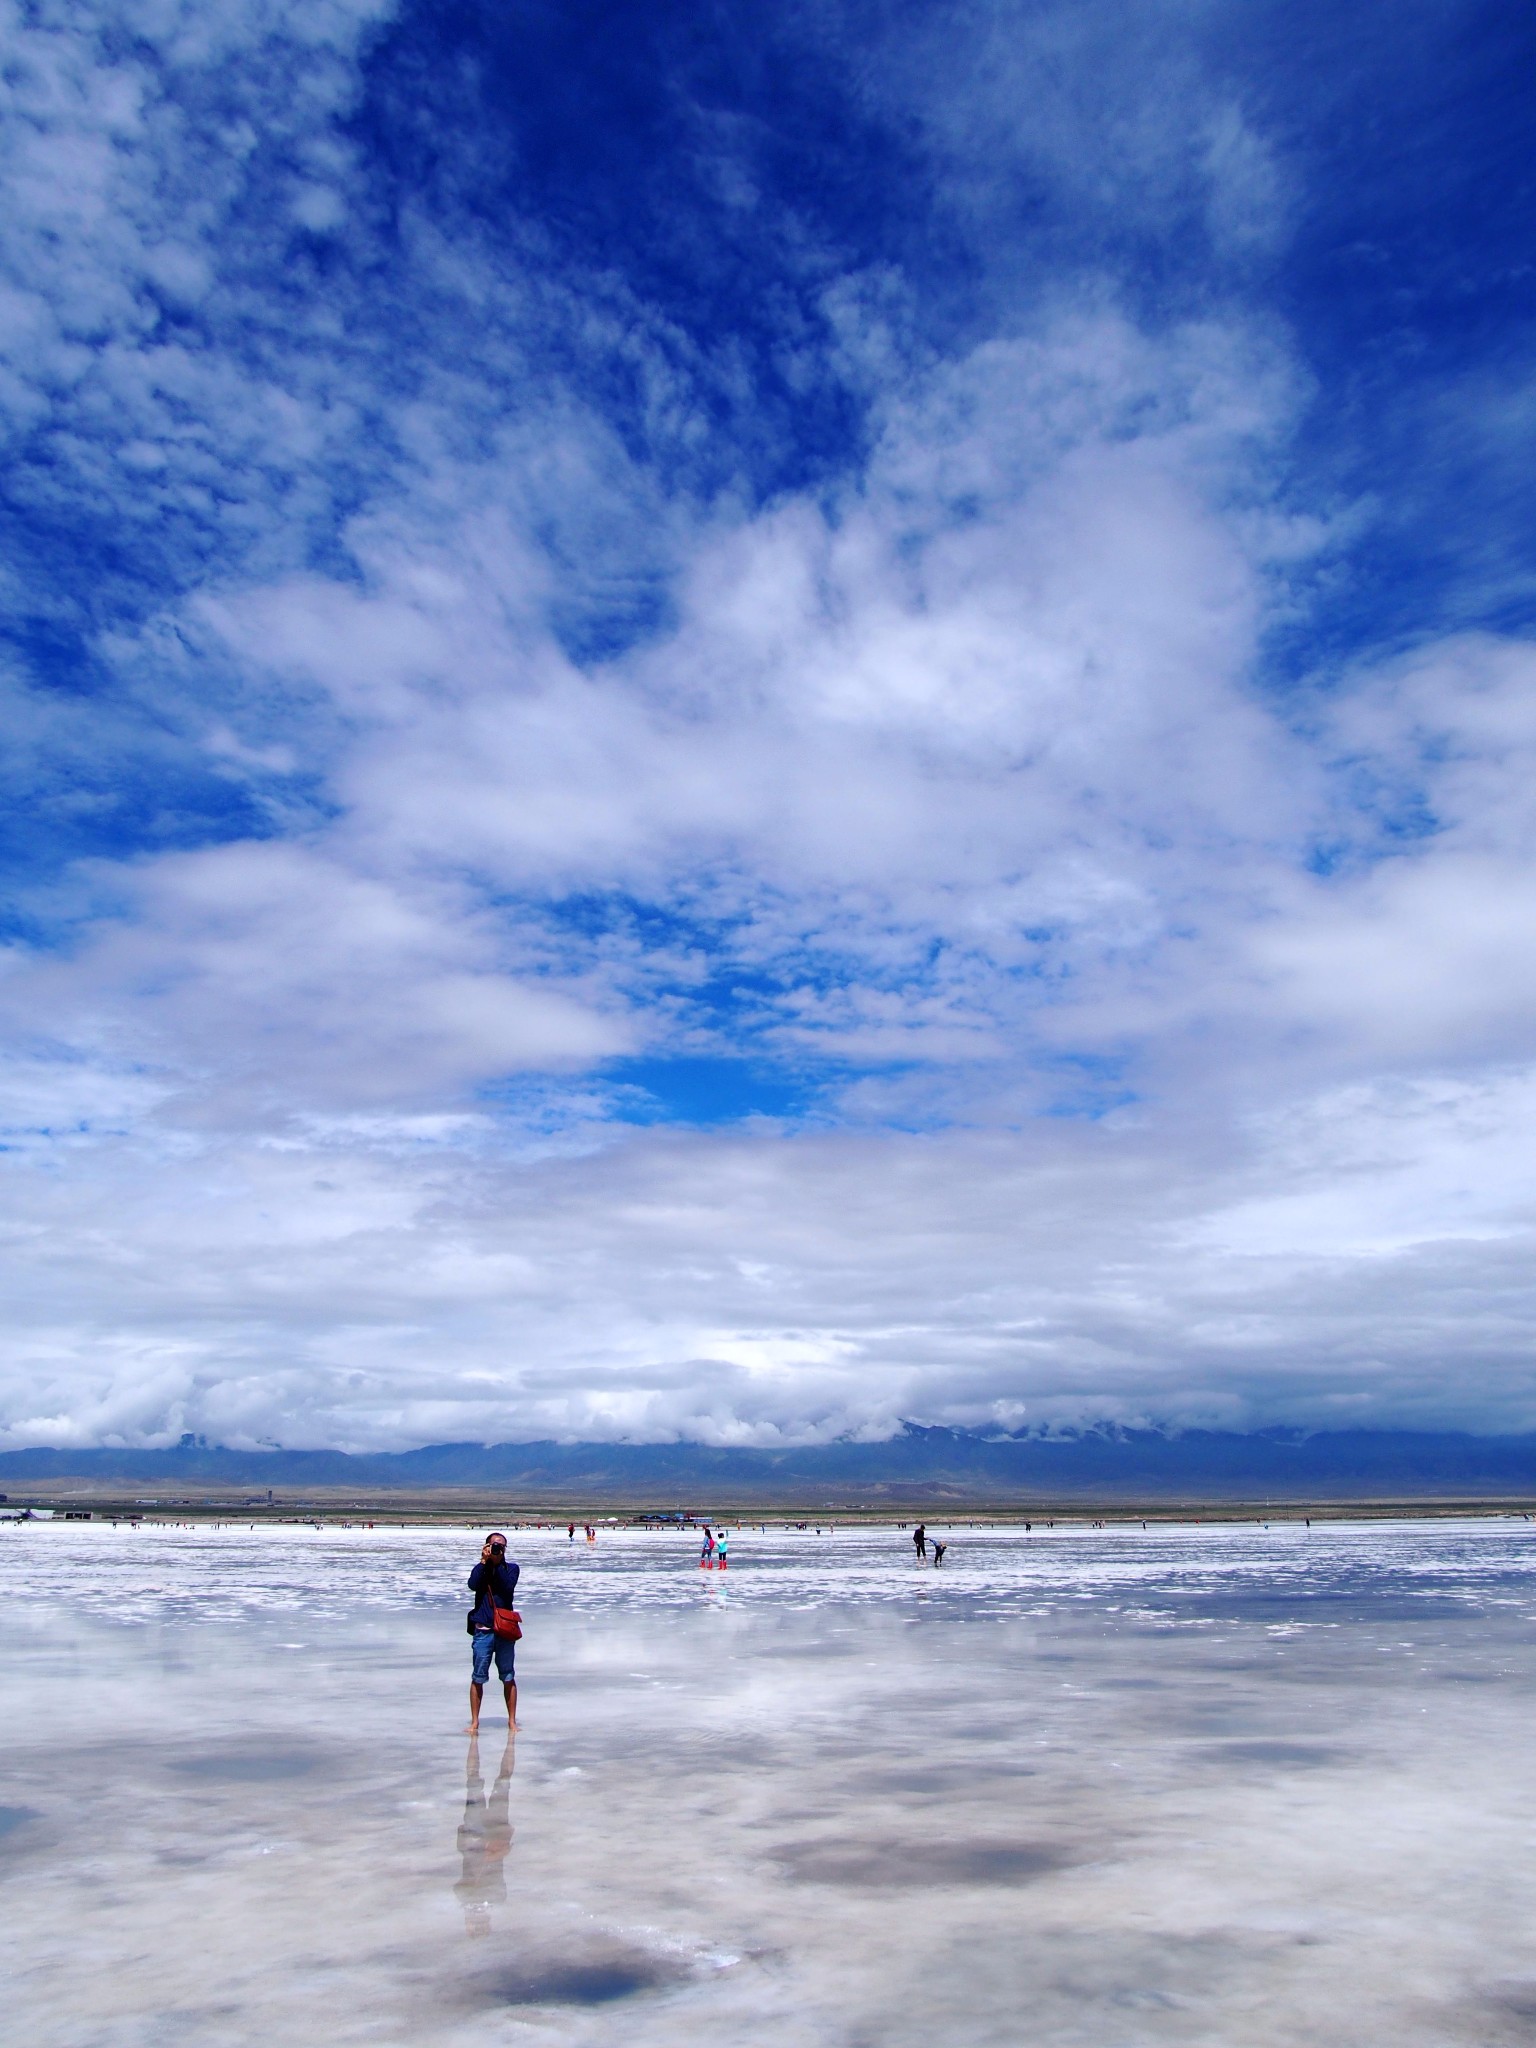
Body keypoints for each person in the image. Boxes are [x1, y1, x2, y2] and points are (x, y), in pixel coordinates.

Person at [466, 1532, 519, 1733]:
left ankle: (512, 1721)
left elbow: (507, 1587)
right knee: (478, 1676)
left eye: (502, 1546)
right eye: (494, 1545)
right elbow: (472, 1585)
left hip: (504, 1630)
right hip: (483, 1630)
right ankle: (474, 1722)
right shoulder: (481, 1568)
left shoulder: (512, 1569)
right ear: (486, 1546)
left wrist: (497, 1564)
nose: (498, 1549)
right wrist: (484, 1562)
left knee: (508, 1676)